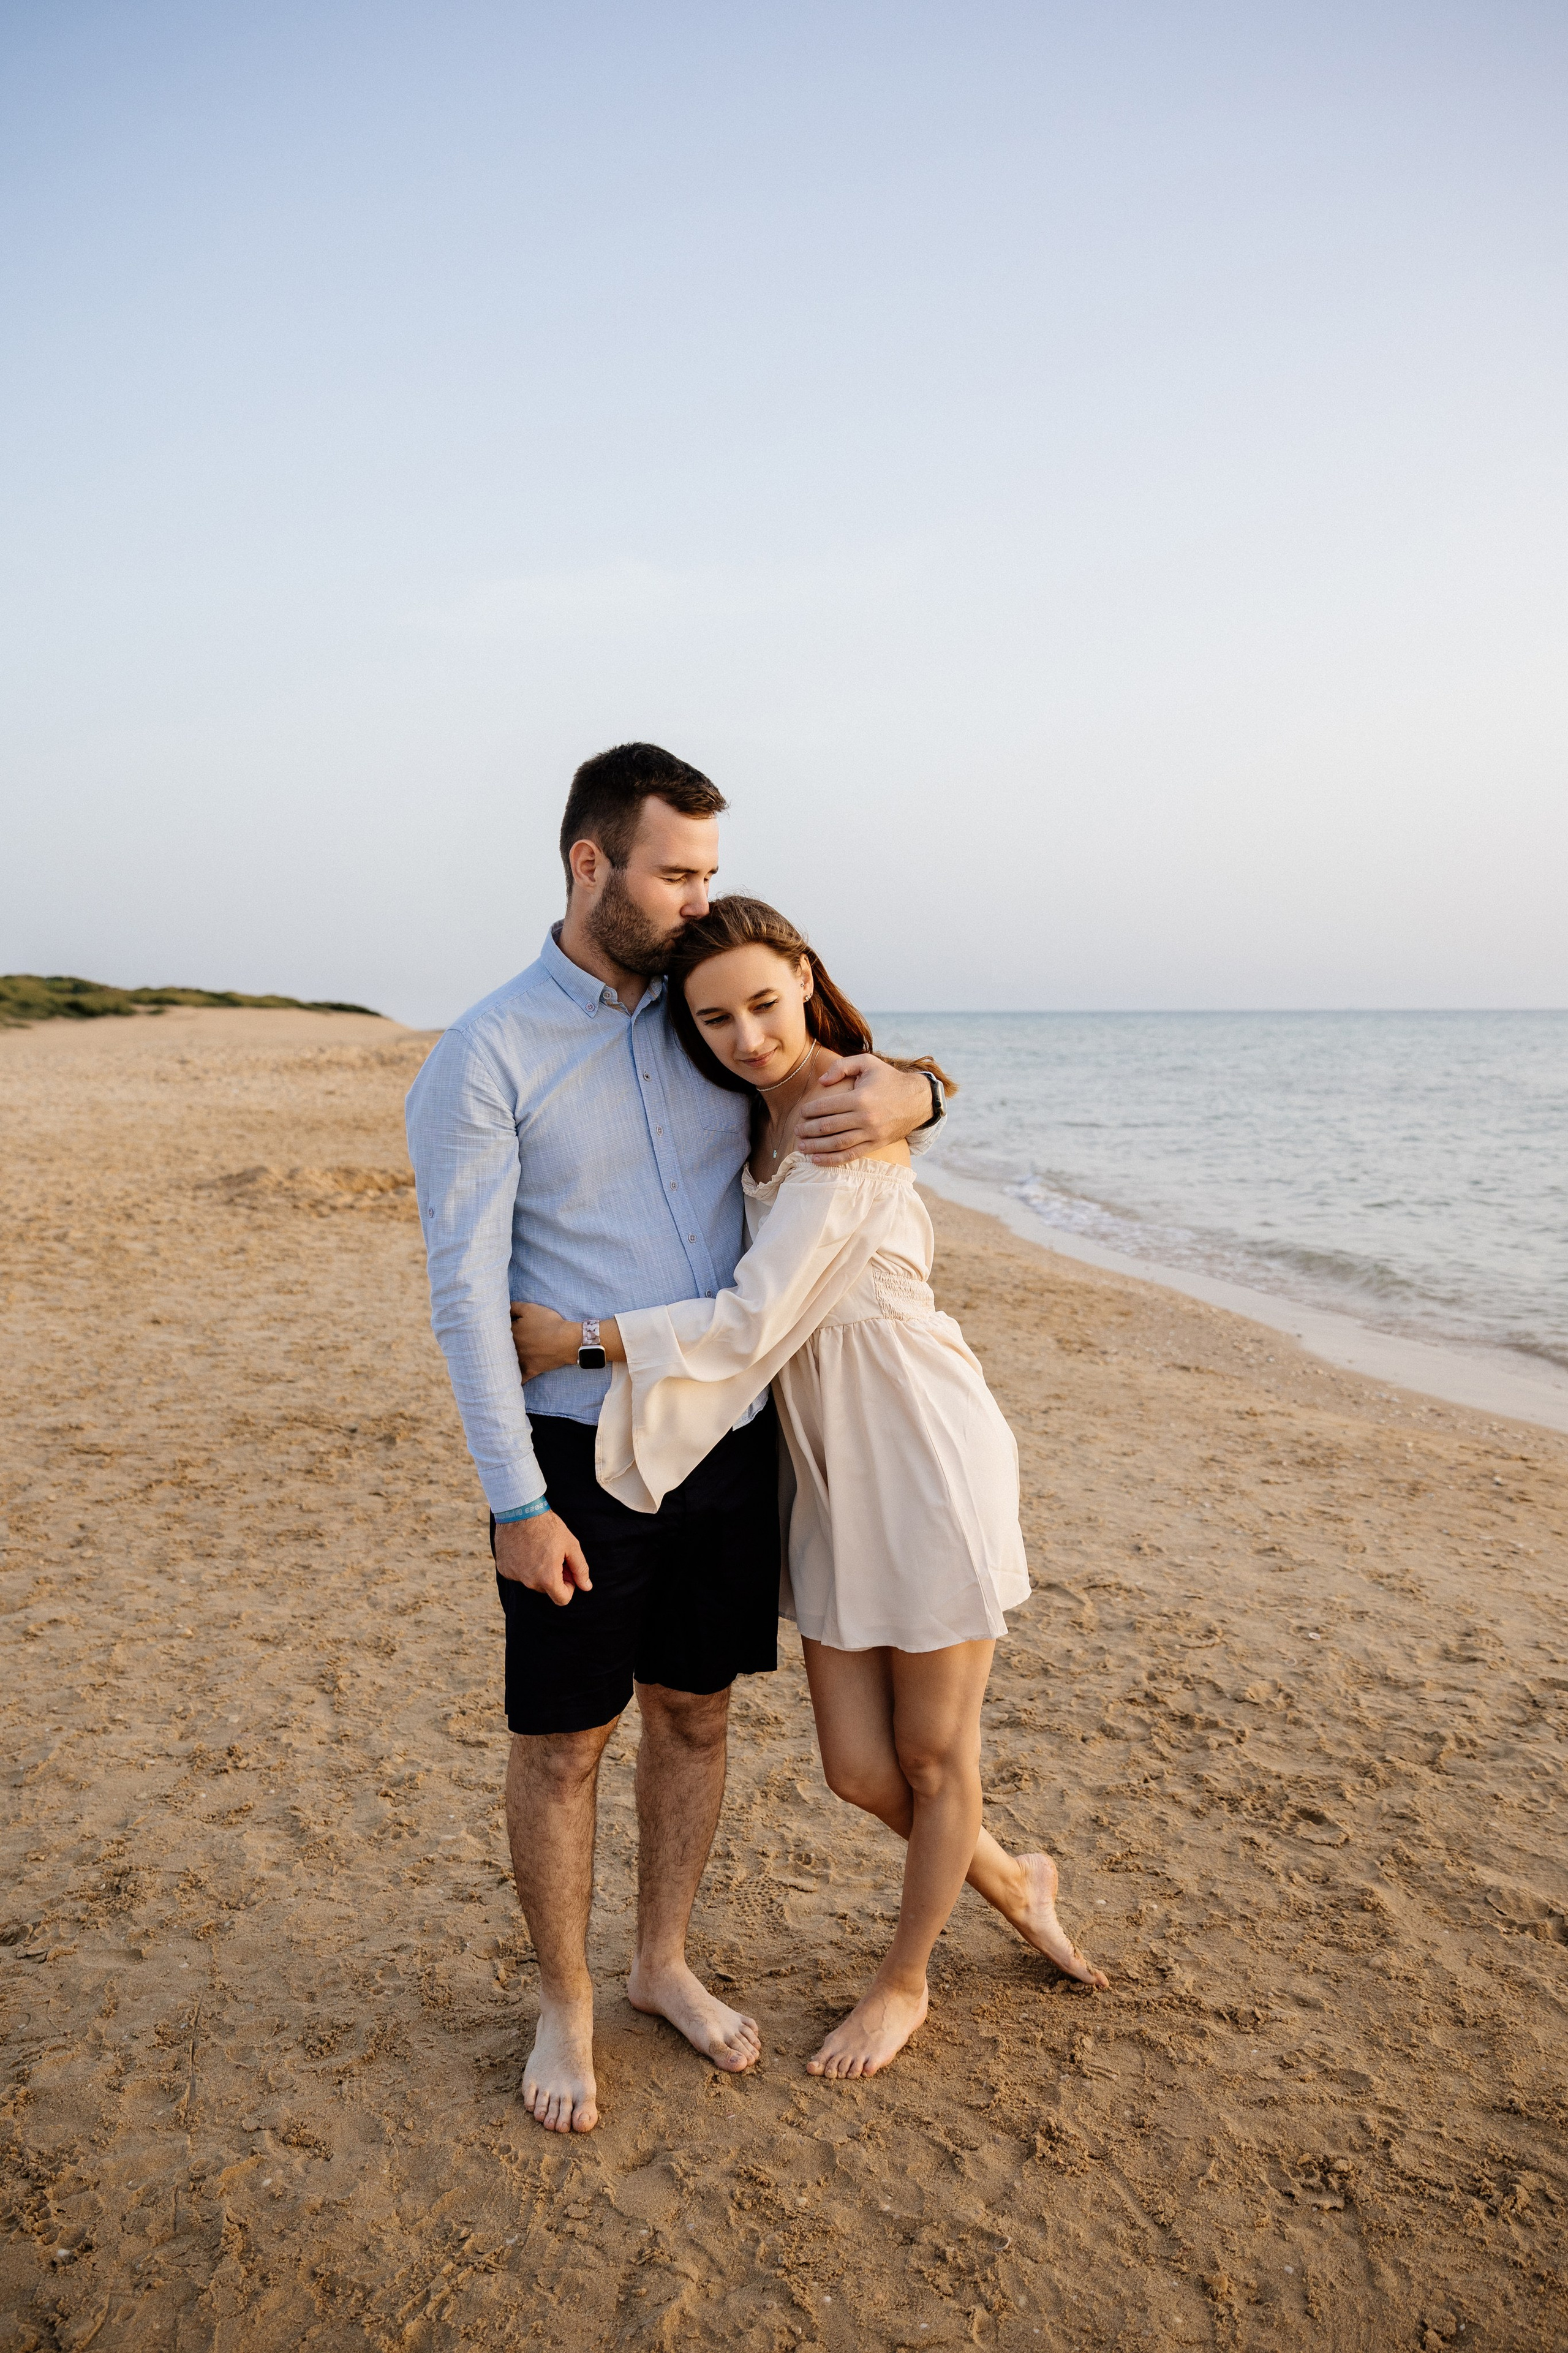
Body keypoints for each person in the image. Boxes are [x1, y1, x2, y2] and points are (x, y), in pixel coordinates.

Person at [404, 745, 943, 2135]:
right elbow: (465, 1300)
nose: (701, 897)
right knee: (561, 1741)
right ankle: (566, 2003)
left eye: (711, 871)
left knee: (695, 1716)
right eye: (677, 871)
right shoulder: (486, 1055)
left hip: (728, 1446)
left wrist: (918, 1089)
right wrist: (514, 1501)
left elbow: (823, 1061)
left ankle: (660, 1964)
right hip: (578, 1459)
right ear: (590, 863)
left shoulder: (704, 1019)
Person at [510, 894, 1106, 2085]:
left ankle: (905, 1981)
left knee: (933, 1756)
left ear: (804, 977)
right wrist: (927, 1083)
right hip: (825, 1466)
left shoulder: (847, 1109)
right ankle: (1013, 1875)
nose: (746, 1036)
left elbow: (754, 1315)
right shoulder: (751, 1110)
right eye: (714, 1018)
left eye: (764, 1004)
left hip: (920, 1446)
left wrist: (580, 1341)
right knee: (856, 1768)